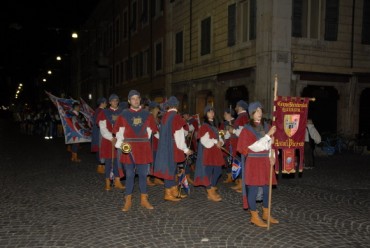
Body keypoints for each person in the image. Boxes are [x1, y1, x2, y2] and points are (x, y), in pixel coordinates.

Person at [114, 90, 158, 211]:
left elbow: (150, 131)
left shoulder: (147, 114)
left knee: (143, 175)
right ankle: (128, 200)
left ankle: (144, 199)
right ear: (129, 101)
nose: (135, 100)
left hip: (143, 149)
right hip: (129, 149)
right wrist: (123, 145)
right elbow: (119, 133)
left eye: (137, 98)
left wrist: (142, 141)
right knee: (129, 175)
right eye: (133, 98)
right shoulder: (124, 114)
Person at [237, 101, 279, 228]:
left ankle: (266, 213)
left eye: (261, 110)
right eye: (257, 111)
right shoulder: (247, 129)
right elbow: (253, 147)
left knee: (267, 188)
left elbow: (271, 145)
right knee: (253, 190)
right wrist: (267, 136)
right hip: (254, 162)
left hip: (265, 162)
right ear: (251, 114)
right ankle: (254, 216)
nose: (260, 113)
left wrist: (273, 157)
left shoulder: (266, 126)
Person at [153, 96, 193, 202]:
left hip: (164, 146)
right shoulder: (175, 116)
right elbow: (178, 135)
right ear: (177, 106)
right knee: (170, 170)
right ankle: (168, 193)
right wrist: (185, 149)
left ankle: (174, 190)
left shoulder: (165, 116)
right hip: (172, 146)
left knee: (171, 169)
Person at [194, 105, 225, 202]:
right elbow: (204, 141)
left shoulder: (216, 125)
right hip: (209, 152)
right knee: (208, 172)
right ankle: (210, 191)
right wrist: (216, 142)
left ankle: (212, 188)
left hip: (216, 152)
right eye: (209, 111)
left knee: (218, 171)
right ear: (206, 114)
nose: (211, 113)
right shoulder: (204, 126)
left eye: (212, 111)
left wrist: (221, 142)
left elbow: (221, 137)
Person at [97, 94, 125, 190]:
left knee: (118, 161)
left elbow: (123, 126)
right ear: (109, 102)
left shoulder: (121, 112)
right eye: (113, 101)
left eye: (116, 100)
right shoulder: (104, 112)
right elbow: (102, 127)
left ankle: (117, 181)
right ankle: (108, 182)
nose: (115, 102)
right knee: (108, 162)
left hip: (118, 139)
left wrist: (118, 137)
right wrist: (111, 137)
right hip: (108, 141)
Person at [227, 100, 249, 192]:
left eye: (236, 106)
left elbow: (243, 132)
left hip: (240, 145)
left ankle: (242, 185)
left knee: (242, 164)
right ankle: (240, 182)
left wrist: (233, 131)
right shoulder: (241, 116)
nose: (235, 108)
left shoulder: (243, 117)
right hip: (237, 144)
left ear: (240, 107)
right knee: (239, 164)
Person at [147, 101, 164, 186]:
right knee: (151, 160)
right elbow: (154, 131)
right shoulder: (150, 117)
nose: (158, 111)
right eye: (157, 109)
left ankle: (157, 177)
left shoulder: (156, 118)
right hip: (152, 142)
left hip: (157, 143)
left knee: (156, 161)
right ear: (153, 109)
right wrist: (162, 138)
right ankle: (147, 178)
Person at [219, 108, 236, 183]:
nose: (224, 115)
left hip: (234, 144)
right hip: (227, 144)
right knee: (227, 160)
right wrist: (222, 133)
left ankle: (237, 178)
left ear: (230, 114)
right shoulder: (223, 123)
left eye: (225, 114)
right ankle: (229, 176)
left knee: (235, 161)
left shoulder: (236, 121)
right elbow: (220, 133)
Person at [92, 97, 107, 174]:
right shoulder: (100, 111)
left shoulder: (97, 111)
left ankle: (102, 166)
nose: (106, 104)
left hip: (98, 131)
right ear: (102, 103)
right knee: (99, 148)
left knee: (100, 148)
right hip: (99, 132)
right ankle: (100, 166)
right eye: (105, 103)